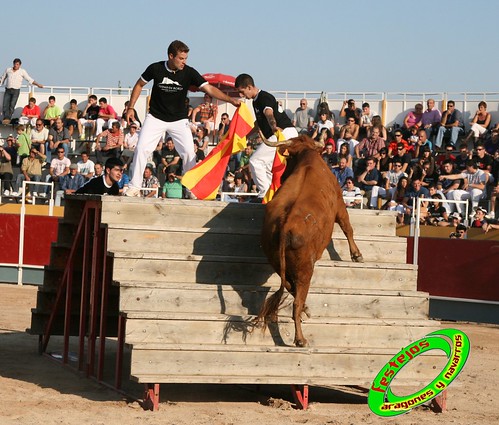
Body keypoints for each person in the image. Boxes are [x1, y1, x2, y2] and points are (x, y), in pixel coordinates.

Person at [124, 40, 240, 197]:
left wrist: (230, 100)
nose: (184, 62)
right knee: (141, 148)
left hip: (179, 120)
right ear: (171, 56)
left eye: (186, 58)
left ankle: (191, 188)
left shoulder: (189, 72)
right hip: (156, 117)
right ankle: (134, 186)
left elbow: (209, 89)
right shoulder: (155, 68)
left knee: (188, 153)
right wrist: (131, 107)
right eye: (181, 58)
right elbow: (139, 85)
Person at [234, 73, 297, 201]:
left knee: (255, 161)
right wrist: (245, 137)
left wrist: (274, 127)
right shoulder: (255, 102)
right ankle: (273, 195)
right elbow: (258, 124)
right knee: (268, 168)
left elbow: (269, 113)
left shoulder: (264, 97)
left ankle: (264, 193)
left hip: (283, 132)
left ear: (250, 87)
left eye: (242, 92)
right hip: (282, 134)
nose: (241, 96)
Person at [0, 58, 43, 124]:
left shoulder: (22, 71)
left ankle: (8, 118)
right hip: (8, 89)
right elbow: (2, 78)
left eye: (17, 64)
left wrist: (38, 84)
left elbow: (29, 79)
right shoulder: (8, 70)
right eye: (15, 64)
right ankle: (5, 118)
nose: (15, 65)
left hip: (16, 90)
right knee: (5, 104)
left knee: (12, 105)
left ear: (20, 65)